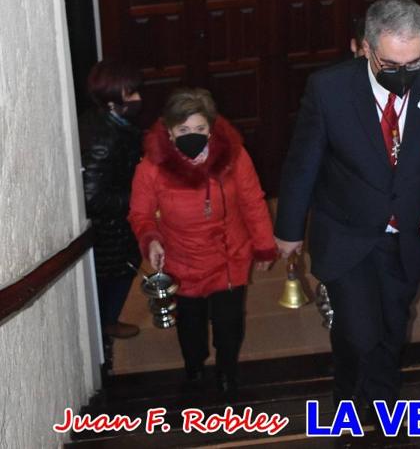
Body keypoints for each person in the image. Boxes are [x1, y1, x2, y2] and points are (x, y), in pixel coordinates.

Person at [275, 0, 420, 409]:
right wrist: (289, 231)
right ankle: (352, 396)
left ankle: (377, 395)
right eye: (390, 64)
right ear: (366, 48)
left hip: (408, 236)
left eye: (414, 63)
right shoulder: (328, 90)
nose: (404, 75)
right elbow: (303, 166)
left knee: (392, 324)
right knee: (361, 329)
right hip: (346, 233)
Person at [128, 87, 277, 392]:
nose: (192, 135)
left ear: (211, 129)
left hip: (229, 255)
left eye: (199, 128)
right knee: (190, 324)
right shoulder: (151, 167)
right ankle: (194, 368)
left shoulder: (234, 156)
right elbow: (140, 214)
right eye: (183, 129)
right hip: (181, 259)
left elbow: (253, 201)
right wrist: (150, 239)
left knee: (229, 322)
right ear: (169, 132)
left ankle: (227, 370)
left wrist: (263, 246)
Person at [79, 60, 144, 340]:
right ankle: (107, 324)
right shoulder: (104, 138)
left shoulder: (111, 124)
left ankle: (108, 321)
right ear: (111, 99)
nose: (138, 99)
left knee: (122, 271)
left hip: (116, 227)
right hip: (111, 231)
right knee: (118, 274)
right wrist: (136, 200)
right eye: (130, 94)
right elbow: (92, 197)